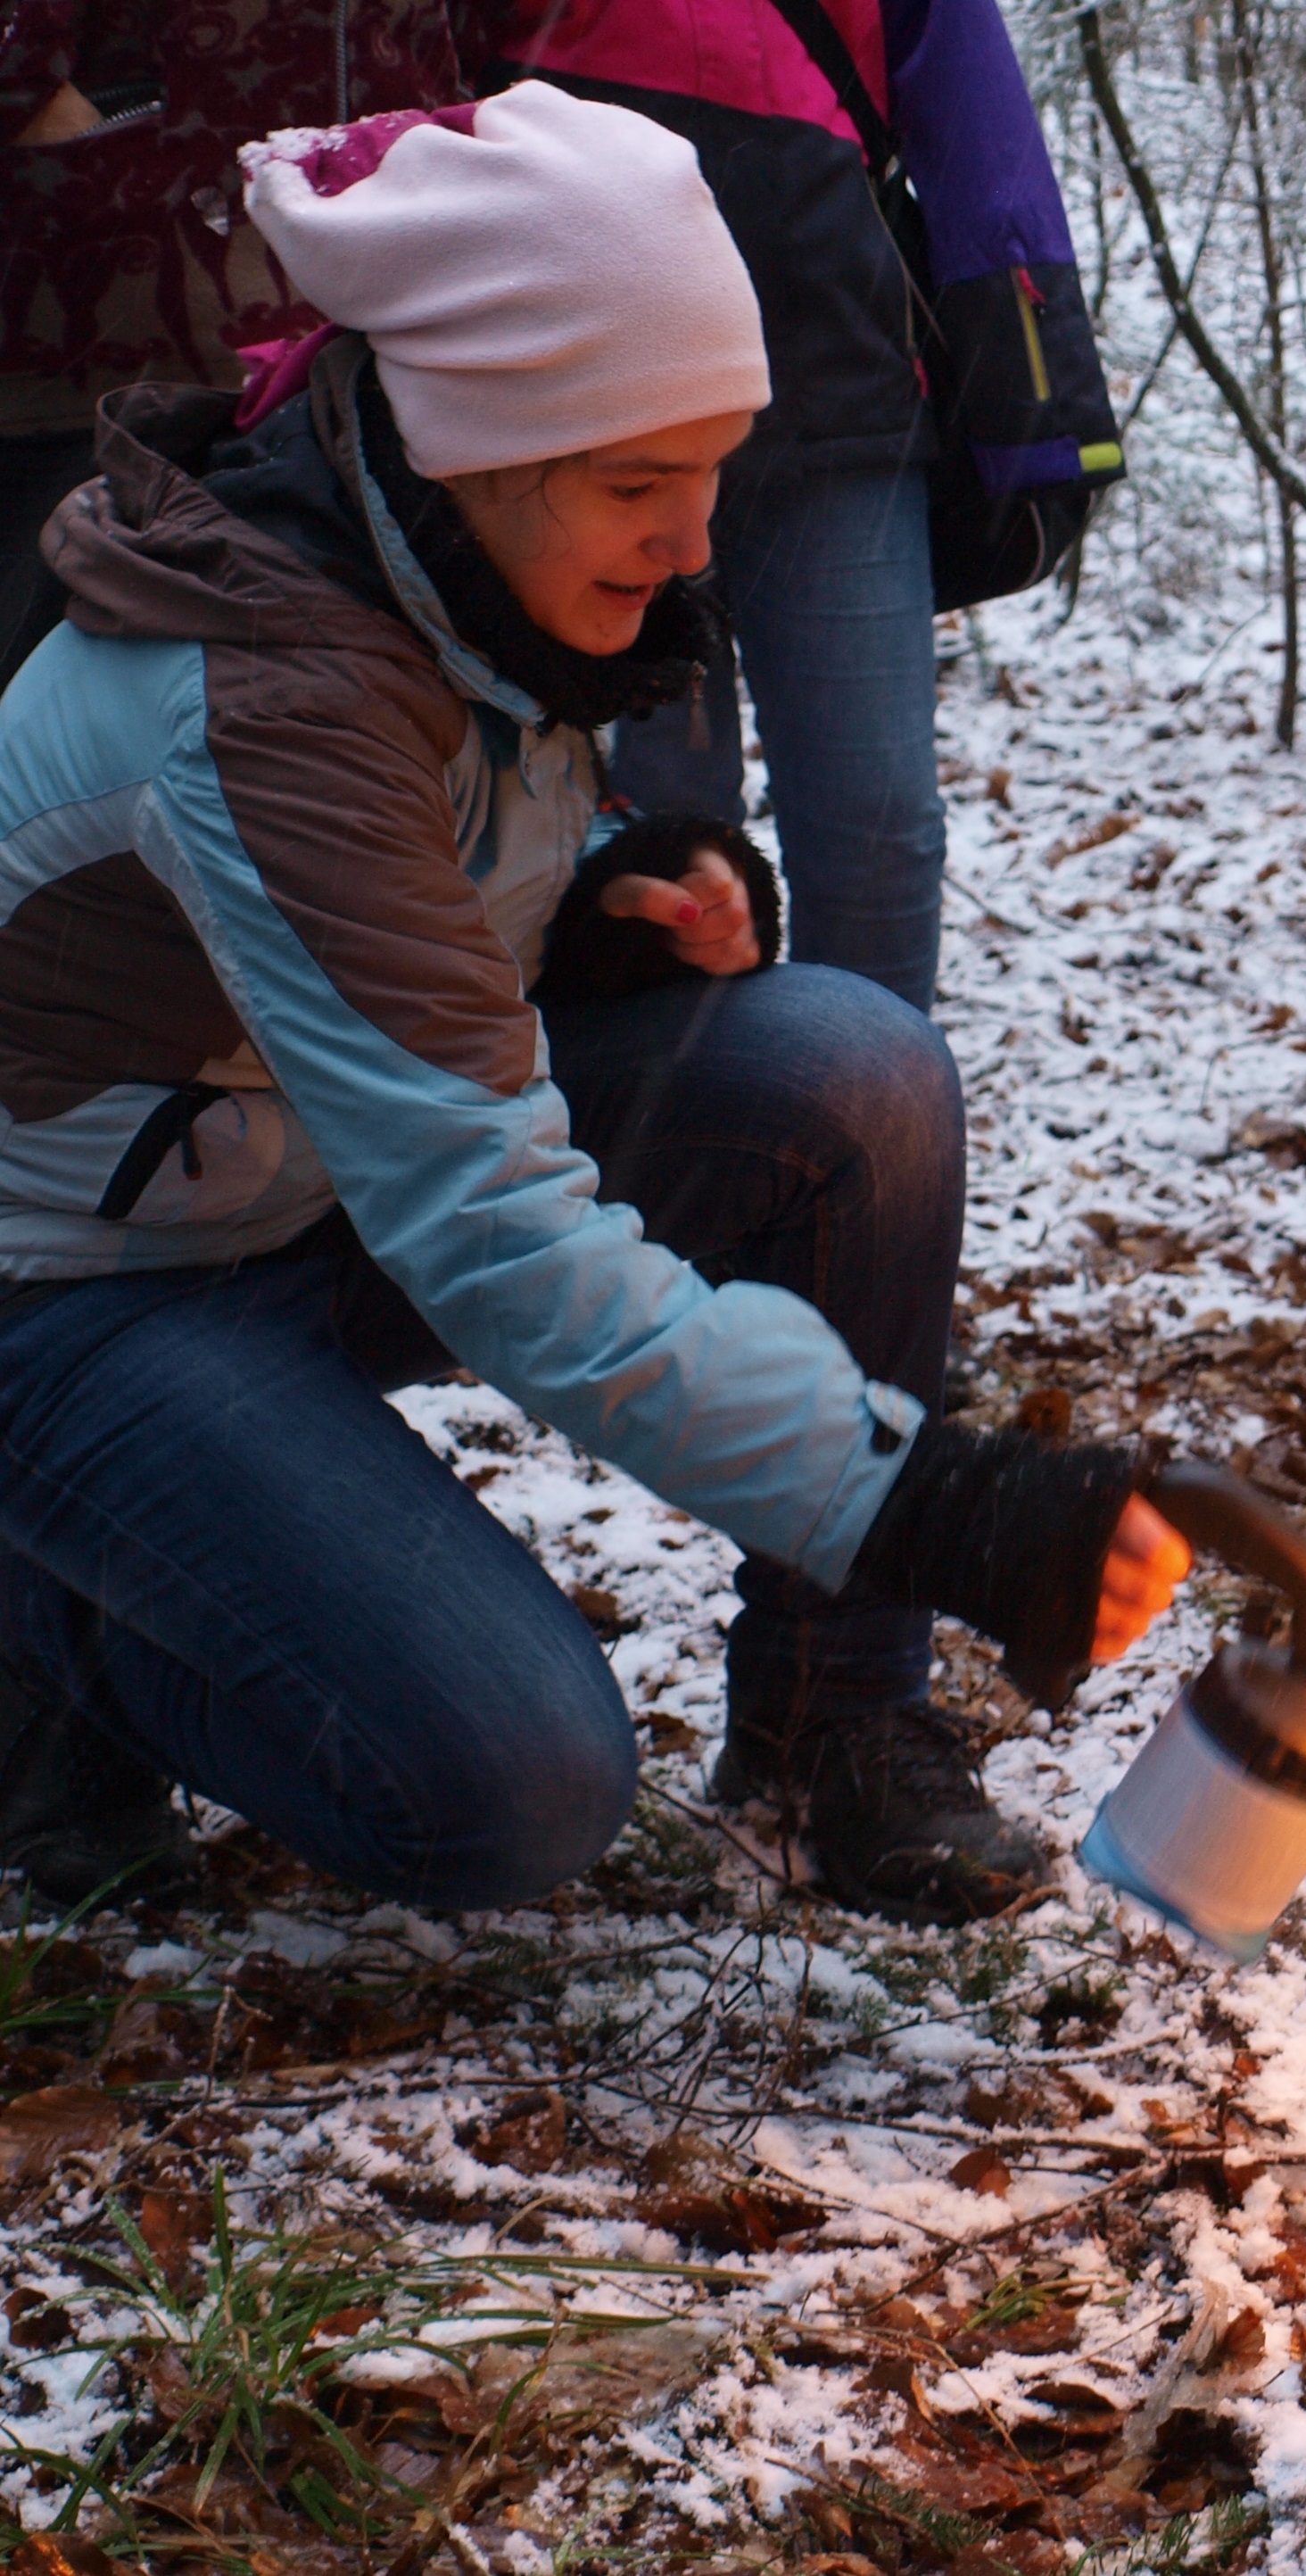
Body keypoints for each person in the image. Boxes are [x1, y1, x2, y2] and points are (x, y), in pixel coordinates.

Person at [0, 83, 1186, 1920]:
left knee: (849, 1076)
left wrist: (592, 906)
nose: (698, 540)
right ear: (471, 441)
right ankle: (42, 1634)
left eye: (711, 466)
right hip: (70, 1296)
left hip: (281, 1189)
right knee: (511, 1791)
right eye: (641, 483)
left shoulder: (447, 566)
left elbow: (407, 894)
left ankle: (830, 1727)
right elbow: (494, 1231)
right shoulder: (268, 697)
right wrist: (937, 1504)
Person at [473, 0, 1120, 1013]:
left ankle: (869, 1133)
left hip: (838, 396)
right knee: (649, 833)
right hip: (577, 409)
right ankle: (664, 1143)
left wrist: (1041, 398)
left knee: (877, 829)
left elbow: (973, 120)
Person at [0, 0, 471, 690]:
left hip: (372, 282)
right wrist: (33, 93)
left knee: (307, 680)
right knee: (53, 666)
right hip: (106, 293)